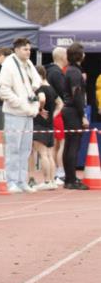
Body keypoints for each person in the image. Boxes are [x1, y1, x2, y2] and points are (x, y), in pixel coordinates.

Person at [0, 38, 43, 193]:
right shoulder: (9, 65)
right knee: (13, 148)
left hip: (29, 113)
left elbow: (36, 81)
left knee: (25, 149)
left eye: (29, 49)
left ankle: (22, 180)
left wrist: (33, 97)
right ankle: (11, 181)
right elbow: (3, 90)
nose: (28, 52)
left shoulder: (29, 64)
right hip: (15, 113)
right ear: (16, 50)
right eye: (24, 49)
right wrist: (19, 102)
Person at [61, 42, 89, 190]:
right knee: (73, 145)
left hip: (69, 110)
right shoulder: (75, 72)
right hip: (73, 111)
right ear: (79, 55)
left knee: (69, 145)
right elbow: (77, 95)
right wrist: (83, 114)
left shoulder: (71, 70)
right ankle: (71, 180)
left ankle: (69, 178)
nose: (85, 55)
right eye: (82, 52)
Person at [31, 65, 60, 190]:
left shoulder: (40, 88)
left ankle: (47, 181)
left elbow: (41, 99)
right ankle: (52, 180)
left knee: (42, 153)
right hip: (49, 125)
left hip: (40, 124)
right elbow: (60, 103)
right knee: (48, 154)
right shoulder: (51, 88)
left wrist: (39, 109)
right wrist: (52, 116)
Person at [46, 47, 68, 182]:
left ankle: (55, 173)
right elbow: (63, 93)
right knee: (62, 142)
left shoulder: (50, 71)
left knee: (55, 144)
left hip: (53, 111)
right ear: (62, 57)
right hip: (58, 111)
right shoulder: (57, 73)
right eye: (66, 55)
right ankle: (60, 172)